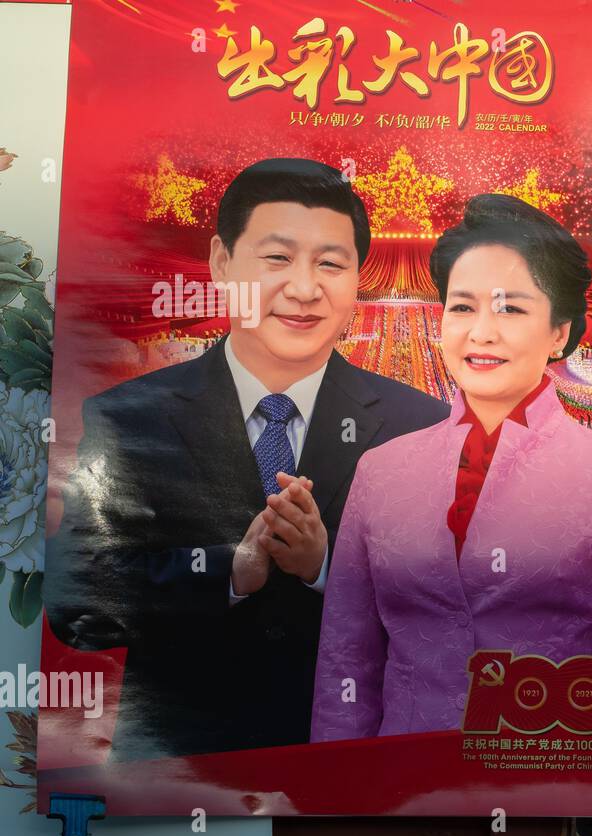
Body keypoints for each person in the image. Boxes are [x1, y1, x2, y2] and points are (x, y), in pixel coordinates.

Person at [45, 158, 449, 759]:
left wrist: (328, 567)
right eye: (278, 258)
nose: (306, 288)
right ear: (221, 263)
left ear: (357, 277)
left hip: (352, 771)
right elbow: (78, 605)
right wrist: (228, 572)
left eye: (331, 264)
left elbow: (449, 613)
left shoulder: (420, 424)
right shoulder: (131, 418)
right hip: (179, 779)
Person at [310, 193, 592, 741]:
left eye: (510, 307)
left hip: (552, 784)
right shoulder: (381, 472)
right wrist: (338, 806)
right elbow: (347, 664)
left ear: (559, 332)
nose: (481, 332)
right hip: (402, 789)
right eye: (462, 307)